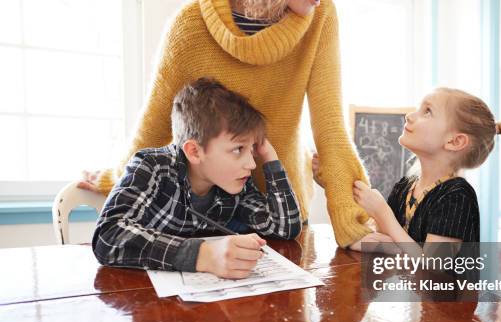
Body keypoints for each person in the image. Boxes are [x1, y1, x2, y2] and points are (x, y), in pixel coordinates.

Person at [80, 0, 376, 249]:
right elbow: (155, 123)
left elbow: (331, 129)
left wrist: (352, 226)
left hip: (281, 209)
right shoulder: (189, 27)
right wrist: (117, 177)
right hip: (210, 216)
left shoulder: (320, 15)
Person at [92, 77, 302, 278]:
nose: (251, 163)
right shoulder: (152, 166)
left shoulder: (236, 184)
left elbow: (285, 227)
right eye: (238, 149)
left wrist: (271, 160)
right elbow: (107, 235)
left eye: (252, 149)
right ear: (194, 151)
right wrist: (204, 256)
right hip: (140, 294)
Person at [348, 87, 501, 250]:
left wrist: (382, 213)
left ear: (455, 141)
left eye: (427, 112)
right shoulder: (405, 187)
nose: (409, 116)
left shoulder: (457, 196)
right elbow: (390, 241)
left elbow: (434, 266)